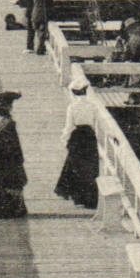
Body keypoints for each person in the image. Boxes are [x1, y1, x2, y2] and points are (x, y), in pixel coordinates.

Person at [54, 80, 101, 209]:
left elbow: (69, 126)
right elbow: (98, 124)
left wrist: (65, 139)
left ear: (74, 93)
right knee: (90, 167)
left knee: (77, 166)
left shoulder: (72, 107)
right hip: (90, 137)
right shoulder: (93, 105)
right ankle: (90, 198)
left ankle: (78, 197)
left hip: (78, 136)